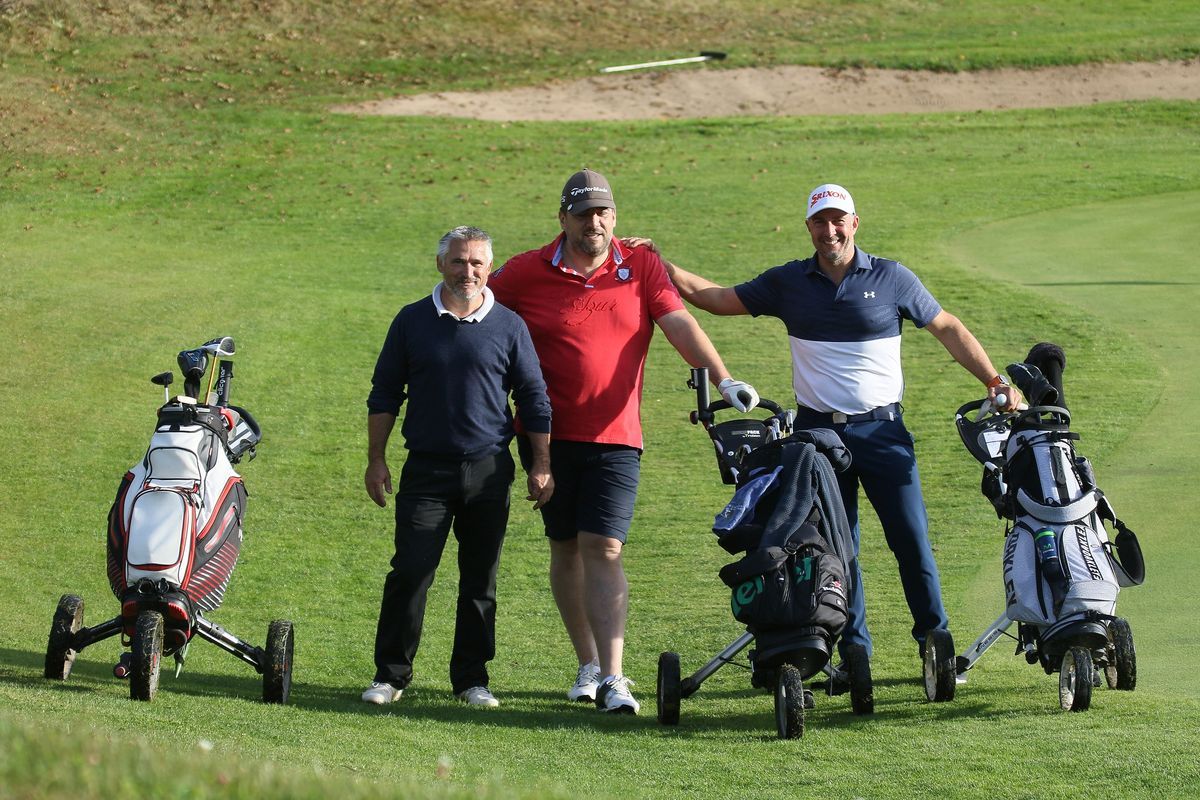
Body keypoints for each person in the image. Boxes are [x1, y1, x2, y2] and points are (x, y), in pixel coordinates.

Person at [660, 183, 1023, 680]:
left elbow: (948, 327)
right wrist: (662, 265)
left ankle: (933, 643)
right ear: (808, 227)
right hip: (817, 439)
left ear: (854, 224)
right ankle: (855, 655)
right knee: (836, 547)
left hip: (882, 431)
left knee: (912, 541)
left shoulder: (892, 277)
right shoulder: (789, 281)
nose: (829, 230)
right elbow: (717, 299)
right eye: (819, 221)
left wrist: (994, 381)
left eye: (838, 220)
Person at [488, 168, 758, 714]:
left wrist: (724, 379)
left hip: (617, 436)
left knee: (605, 547)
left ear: (614, 215)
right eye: (583, 213)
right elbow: (477, 309)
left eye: (603, 212)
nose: (595, 222)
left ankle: (613, 676)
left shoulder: (640, 264)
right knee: (565, 546)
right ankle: (587, 664)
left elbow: (679, 323)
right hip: (545, 436)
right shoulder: (524, 272)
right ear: (563, 218)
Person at [362, 225, 554, 708]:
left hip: (489, 471)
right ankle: (391, 676)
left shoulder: (509, 326)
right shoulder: (411, 321)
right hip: (426, 472)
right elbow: (385, 394)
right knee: (410, 572)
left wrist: (542, 464)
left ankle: (471, 680)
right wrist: (376, 460)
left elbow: (533, 398)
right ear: (440, 264)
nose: (467, 271)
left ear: (488, 268)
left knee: (480, 580)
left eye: (476, 263)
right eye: (458, 261)